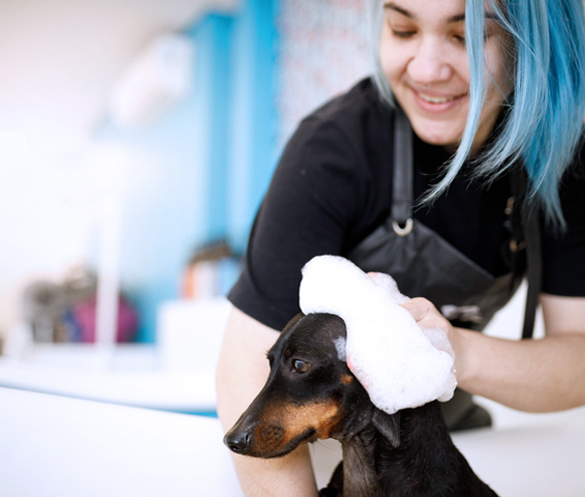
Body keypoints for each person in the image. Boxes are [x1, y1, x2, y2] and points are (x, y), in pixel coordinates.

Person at [216, 0, 585, 495]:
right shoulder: (332, 151)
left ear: (531, 44)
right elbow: (246, 363)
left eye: (466, 37)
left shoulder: (561, 163)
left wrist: (452, 353)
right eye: (402, 28)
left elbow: (578, 358)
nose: (428, 69)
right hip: (334, 457)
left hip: (446, 443)